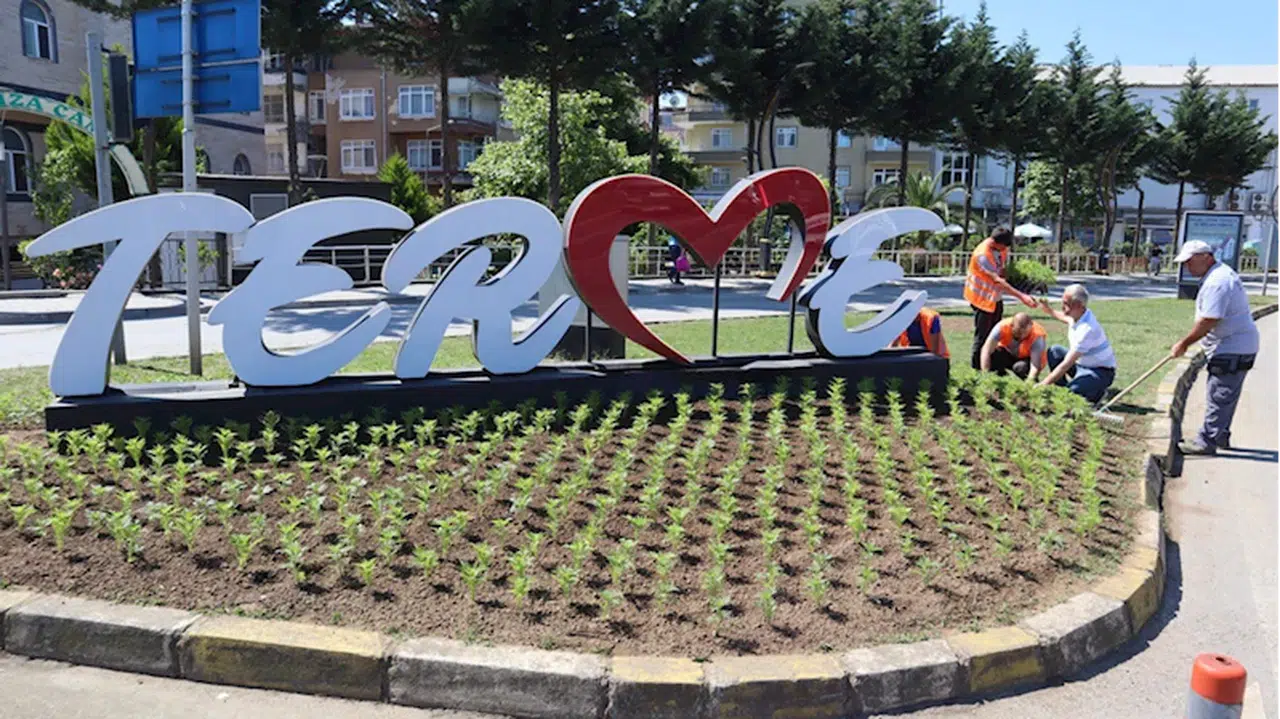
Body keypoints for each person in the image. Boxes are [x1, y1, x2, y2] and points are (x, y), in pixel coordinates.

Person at [1170, 240, 1260, 455]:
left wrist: (1184, 343)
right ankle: (1220, 435)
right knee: (1226, 393)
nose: (1187, 267)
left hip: (1232, 347)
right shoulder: (1218, 275)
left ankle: (1207, 441)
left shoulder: (1217, 282)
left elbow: (1209, 320)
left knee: (1219, 394)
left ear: (1205, 257)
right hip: (1238, 345)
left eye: (1190, 262)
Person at [964, 227, 1038, 370]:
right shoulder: (982, 255)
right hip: (981, 300)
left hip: (994, 298)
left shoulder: (1001, 248)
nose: (1005, 249)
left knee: (995, 333)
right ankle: (976, 369)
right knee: (982, 336)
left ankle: (992, 365)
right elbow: (997, 280)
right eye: (1004, 246)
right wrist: (1022, 296)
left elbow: (1002, 270)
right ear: (995, 242)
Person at [1036, 284, 1117, 402]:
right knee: (1054, 351)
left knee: (1072, 392)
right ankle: (1062, 391)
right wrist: (1049, 310)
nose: (1062, 307)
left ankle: (1095, 393)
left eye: (1065, 303)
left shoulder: (1087, 330)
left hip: (1100, 372)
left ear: (1078, 305)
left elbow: (1066, 364)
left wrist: (1043, 384)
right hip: (1081, 365)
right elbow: (1066, 318)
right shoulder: (1079, 315)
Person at [979, 312, 1048, 381]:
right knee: (991, 356)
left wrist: (1029, 383)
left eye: (1025, 333)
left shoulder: (1037, 336)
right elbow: (986, 350)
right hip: (1009, 353)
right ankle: (1000, 380)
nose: (1022, 336)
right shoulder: (1002, 326)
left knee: (1020, 368)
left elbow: (1035, 366)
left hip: (1028, 360)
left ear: (1031, 326)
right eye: (1018, 333)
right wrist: (986, 375)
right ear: (1011, 325)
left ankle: (1033, 386)